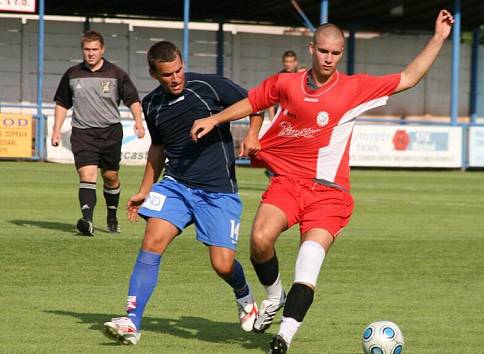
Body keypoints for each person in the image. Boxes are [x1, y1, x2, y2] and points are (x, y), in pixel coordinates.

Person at [190, 10, 454, 353]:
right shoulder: (285, 83)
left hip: (330, 196)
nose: (330, 58)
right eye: (324, 51)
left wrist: (438, 38)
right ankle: (275, 296)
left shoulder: (354, 88)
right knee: (258, 240)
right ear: (311, 48)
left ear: (341, 54)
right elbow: (254, 102)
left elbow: (408, 77)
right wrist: (214, 118)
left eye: (336, 53)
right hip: (288, 184)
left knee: (308, 264)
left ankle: (283, 337)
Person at [103, 41, 260, 345]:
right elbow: (158, 148)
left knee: (222, 264)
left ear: (182, 64)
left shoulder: (207, 86)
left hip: (217, 191)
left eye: (178, 71)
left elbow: (256, 103)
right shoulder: (152, 105)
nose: (175, 78)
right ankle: (132, 322)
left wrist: (252, 134)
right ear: (153, 73)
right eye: (167, 75)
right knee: (151, 243)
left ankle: (244, 294)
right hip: (176, 185)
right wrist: (143, 190)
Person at [51, 30, 145, 236]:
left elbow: (133, 100)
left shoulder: (117, 74)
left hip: (110, 132)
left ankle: (112, 214)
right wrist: (56, 130)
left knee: (110, 176)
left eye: (95, 49)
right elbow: (62, 103)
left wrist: (139, 122)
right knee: (87, 175)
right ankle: (87, 221)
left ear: (102, 50)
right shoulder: (72, 74)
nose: (91, 53)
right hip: (83, 133)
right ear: (82, 50)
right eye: (87, 49)